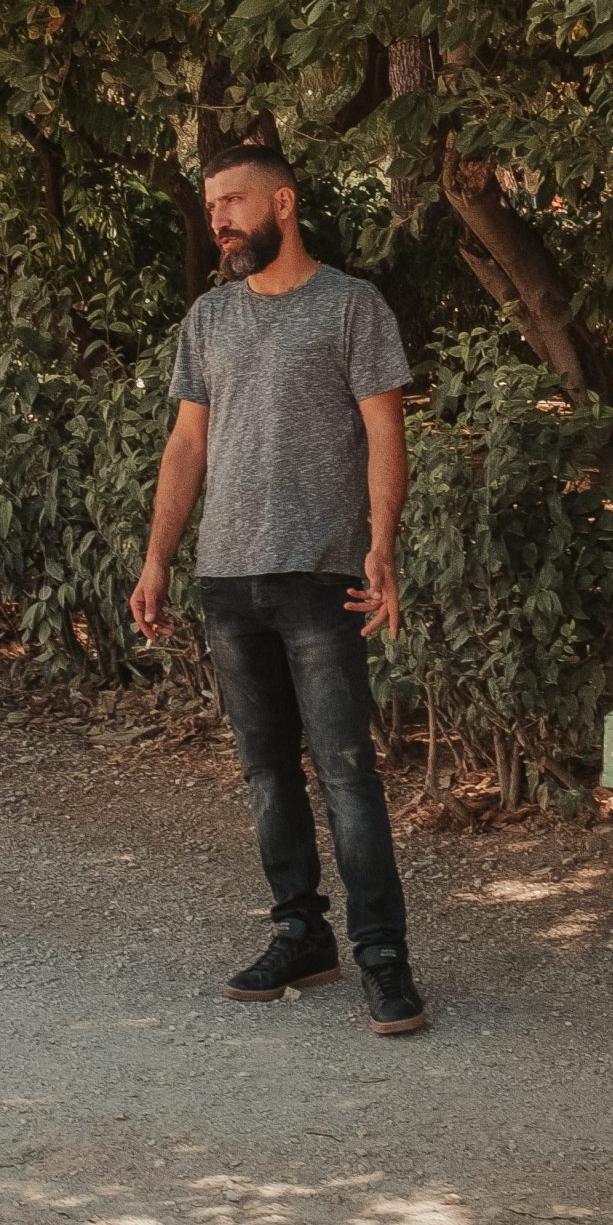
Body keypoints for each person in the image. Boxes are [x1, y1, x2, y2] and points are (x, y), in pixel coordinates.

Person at [129, 145, 429, 1035]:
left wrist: (382, 545)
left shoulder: (351, 306)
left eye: (232, 200)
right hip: (228, 577)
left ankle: (383, 956)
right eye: (211, 203)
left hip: (321, 575)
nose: (217, 217)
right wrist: (157, 559)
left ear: (283, 203)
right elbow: (187, 446)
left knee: (347, 774)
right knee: (267, 773)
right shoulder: (209, 319)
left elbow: (385, 435)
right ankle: (302, 932)